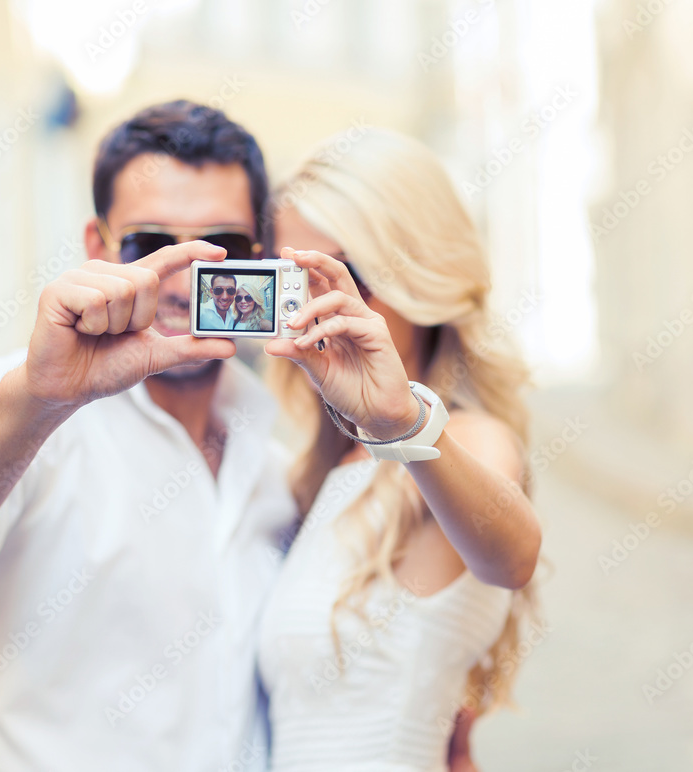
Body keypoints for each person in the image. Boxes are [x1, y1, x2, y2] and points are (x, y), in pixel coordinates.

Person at [0, 100, 479, 771]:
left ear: (262, 261)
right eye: (152, 246)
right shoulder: (22, 405)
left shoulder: (271, 462)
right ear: (98, 249)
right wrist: (35, 401)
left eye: (223, 247)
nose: (185, 278)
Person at [258, 128, 542, 771]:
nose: (318, 305)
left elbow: (512, 555)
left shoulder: (462, 441)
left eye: (345, 276)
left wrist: (404, 424)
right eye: (293, 278)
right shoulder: (325, 466)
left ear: (417, 274)